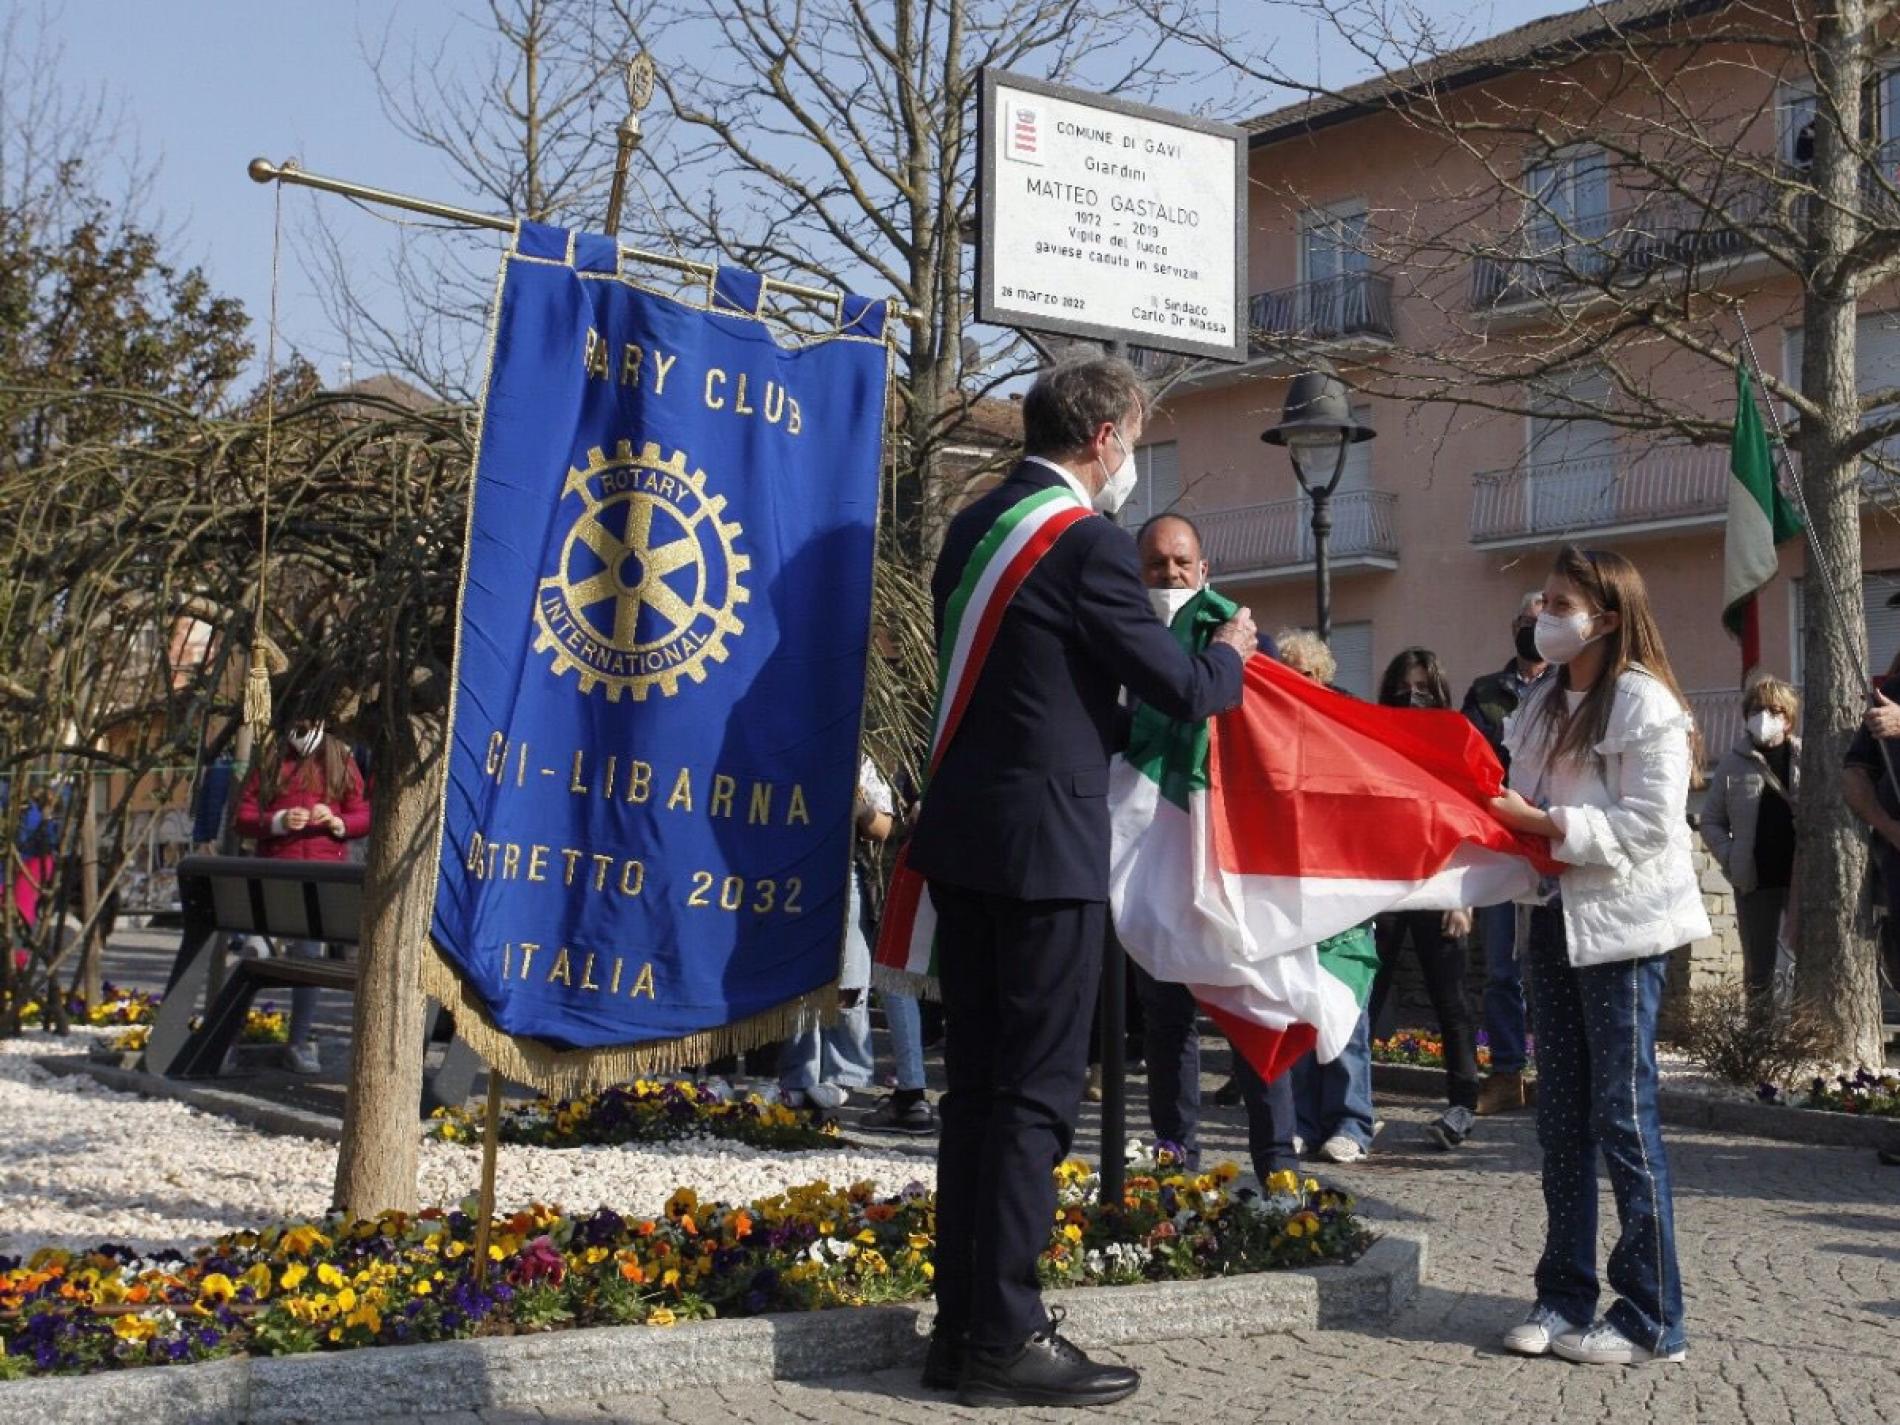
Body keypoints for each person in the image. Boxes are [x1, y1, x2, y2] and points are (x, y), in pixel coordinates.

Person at [904, 356, 1253, 1408]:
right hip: (1045, 856)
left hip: (965, 843)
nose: (1131, 464)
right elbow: (1183, 687)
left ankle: (960, 1328)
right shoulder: (1087, 544)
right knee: (1036, 1101)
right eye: (1135, 441)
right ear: (1104, 438)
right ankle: (1004, 1334)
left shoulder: (974, 528)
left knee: (976, 1097)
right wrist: (1230, 648)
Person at [1488, 545, 1705, 1366]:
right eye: (1543, 600)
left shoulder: (1646, 703)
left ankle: (1654, 1317)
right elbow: (1520, 796)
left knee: (1622, 1115)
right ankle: (1563, 1294)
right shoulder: (1541, 696)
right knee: (1562, 1118)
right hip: (1550, 919)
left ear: (1606, 616)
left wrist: (1547, 826)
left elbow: (1651, 825)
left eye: (1560, 601)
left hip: (1620, 932)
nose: (1544, 614)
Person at [1129, 513, 1298, 1182]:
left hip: (1230, 856)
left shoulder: (1251, 641)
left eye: (1181, 563)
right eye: (1156, 565)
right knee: (1167, 1024)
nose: (1169, 575)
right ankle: (1176, 1162)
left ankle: (1277, 1168)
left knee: (1255, 1011)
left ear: (1205, 570)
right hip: (1153, 854)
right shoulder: (1125, 639)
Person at [1369, 648, 1482, 1150]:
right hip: (1387, 886)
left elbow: (1469, 820)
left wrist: (1465, 898)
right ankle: (1351, 1104)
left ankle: (1463, 1105)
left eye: (1421, 690)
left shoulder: (1454, 744)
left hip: (1440, 883)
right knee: (1365, 994)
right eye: (1402, 689)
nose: (1410, 699)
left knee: (1450, 1000)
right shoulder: (1374, 740)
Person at [1274, 629, 1379, 1165]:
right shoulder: (1268, 732)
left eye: (1309, 673)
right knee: (1296, 1009)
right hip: (1290, 892)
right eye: (1288, 673)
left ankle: (1351, 1122)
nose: (1300, 683)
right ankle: (1302, 1121)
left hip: (1343, 889)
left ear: (1325, 678)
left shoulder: (1349, 732)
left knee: (1343, 1007)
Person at [232, 706, 372, 1075]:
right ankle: (263, 1039)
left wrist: (337, 821)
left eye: (309, 723)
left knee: (306, 955)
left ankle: (295, 1041)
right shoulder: (272, 760)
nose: (303, 730)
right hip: (280, 875)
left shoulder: (340, 760)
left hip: (321, 879)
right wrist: (277, 822)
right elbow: (242, 817)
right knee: (280, 952)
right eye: (297, 723)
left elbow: (363, 816)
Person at [1461, 591, 1550, 1115]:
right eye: (1526, 622)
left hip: (1549, 838)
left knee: (1552, 967)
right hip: (1499, 843)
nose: (1533, 632)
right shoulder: (1487, 691)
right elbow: (1470, 755)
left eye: (1543, 623)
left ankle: (1555, 1074)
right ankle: (1507, 1073)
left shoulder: (1568, 689)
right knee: (1500, 967)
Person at [779, 756, 887, 1113]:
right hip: (797, 869)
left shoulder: (859, 758)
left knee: (850, 978)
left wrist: (859, 807)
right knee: (798, 979)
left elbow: (883, 827)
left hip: (844, 872)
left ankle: (845, 1073)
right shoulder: (796, 747)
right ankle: (799, 1075)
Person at [1699, 677, 1801, 1021]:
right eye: (1757, 710)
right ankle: (1760, 1041)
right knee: (1759, 968)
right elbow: (1711, 820)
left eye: (1774, 710)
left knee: (1802, 962)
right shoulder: (1732, 763)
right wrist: (1730, 858)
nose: (1764, 717)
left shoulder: (1806, 758)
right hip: (1755, 881)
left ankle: (1801, 1038)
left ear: (1788, 718)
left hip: (1802, 879)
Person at [854, 757, 936, 1134]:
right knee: (895, 973)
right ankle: (914, 1091)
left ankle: (915, 1091)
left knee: (895, 972)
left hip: (935, 850)